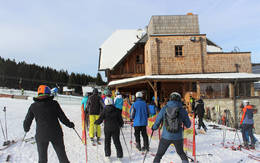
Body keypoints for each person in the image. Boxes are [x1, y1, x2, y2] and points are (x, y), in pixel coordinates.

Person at [23, 85, 74, 163]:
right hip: (56, 134)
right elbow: (63, 118)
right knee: (62, 157)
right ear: (48, 93)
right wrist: (70, 124)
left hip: (41, 135)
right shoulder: (54, 104)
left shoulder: (33, 106)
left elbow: (27, 121)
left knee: (42, 160)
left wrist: (26, 128)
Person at [152, 92, 191, 163]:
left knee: (159, 155)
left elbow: (158, 120)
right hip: (178, 137)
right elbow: (188, 125)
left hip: (165, 136)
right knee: (181, 153)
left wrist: (154, 127)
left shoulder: (164, 109)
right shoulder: (182, 110)